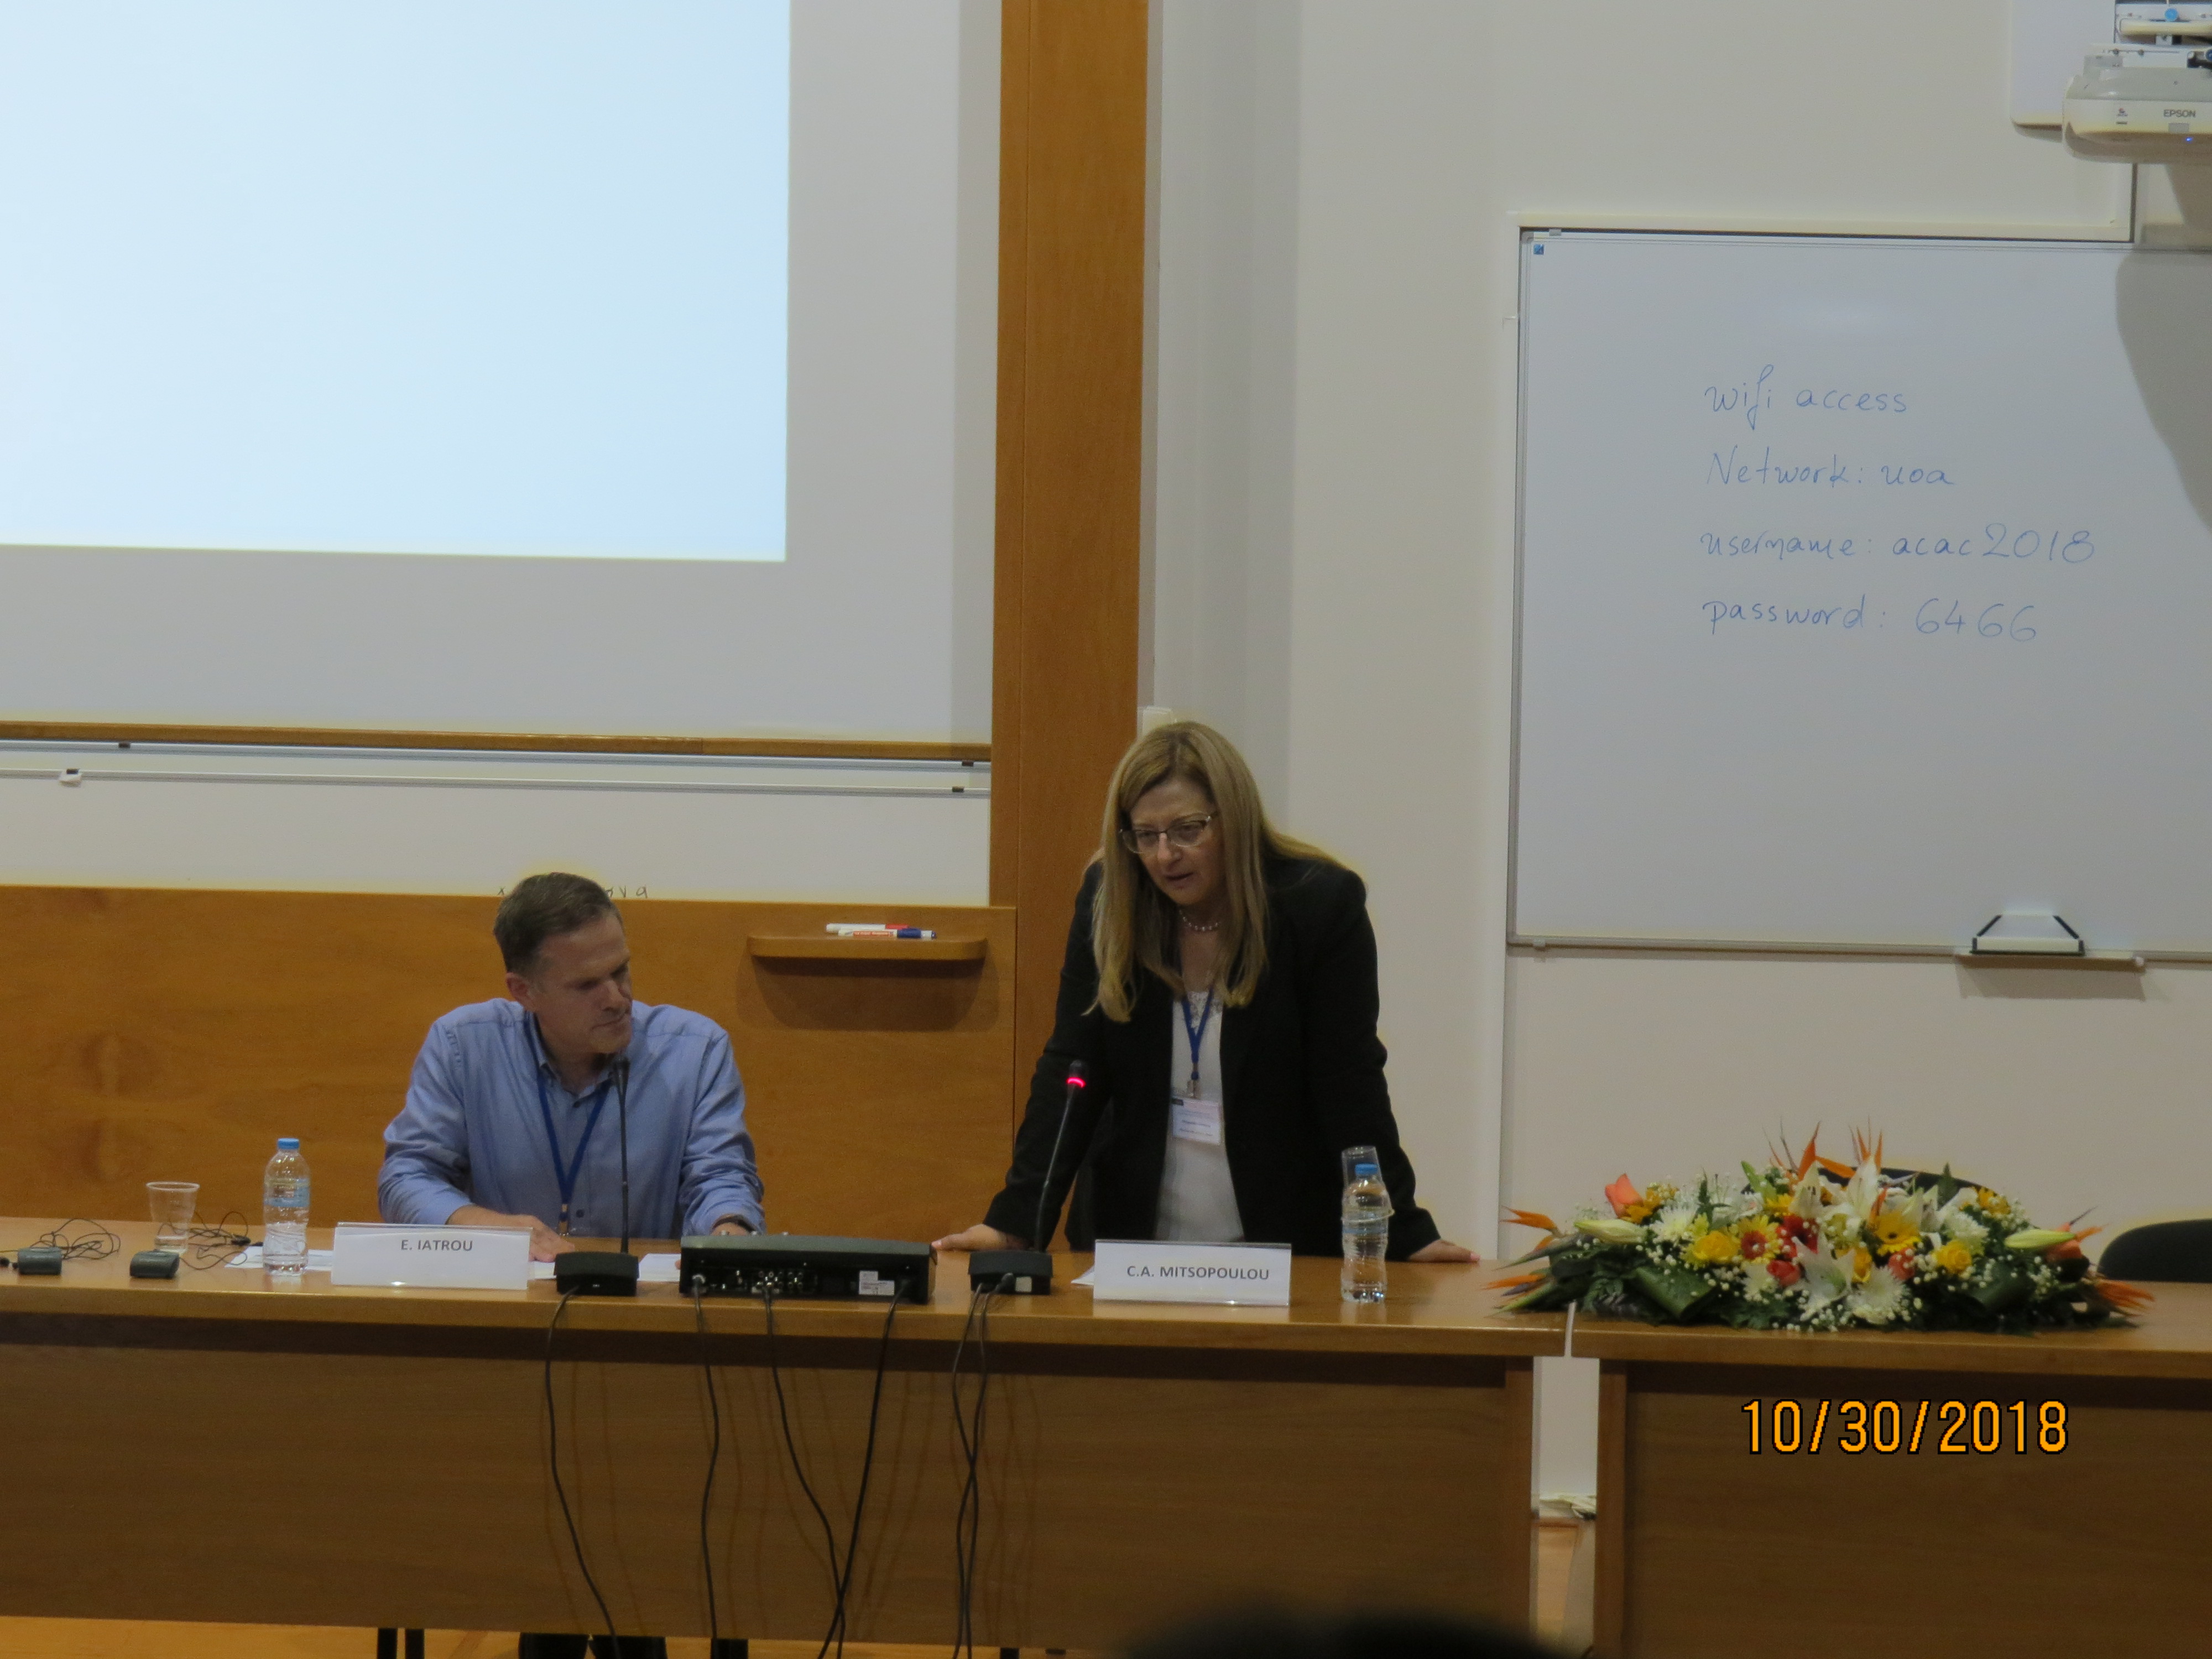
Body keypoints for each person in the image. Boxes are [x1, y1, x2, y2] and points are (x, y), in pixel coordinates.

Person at [935, 721, 1474, 1262]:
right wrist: (1015, 1224)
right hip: (1132, 1242)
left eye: (1187, 830)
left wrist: (1403, 1229)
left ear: (1233, 819)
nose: (1165, 855)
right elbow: (1072, 1069)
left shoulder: (1317, 908)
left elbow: (1349, 1081)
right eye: (1146, 835)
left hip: (1285, 1243)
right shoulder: (1111, 903)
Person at [380, 871, 764, 1259]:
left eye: (620, 971)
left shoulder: (696, 1051)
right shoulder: (463, 1047)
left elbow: (721, 1177)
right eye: (587, 985)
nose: (616, 999)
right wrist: (487, 1226)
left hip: (641, 1292)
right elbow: (407, 1178)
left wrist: (728, 1230)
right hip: (512, 1288)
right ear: (525, 992)